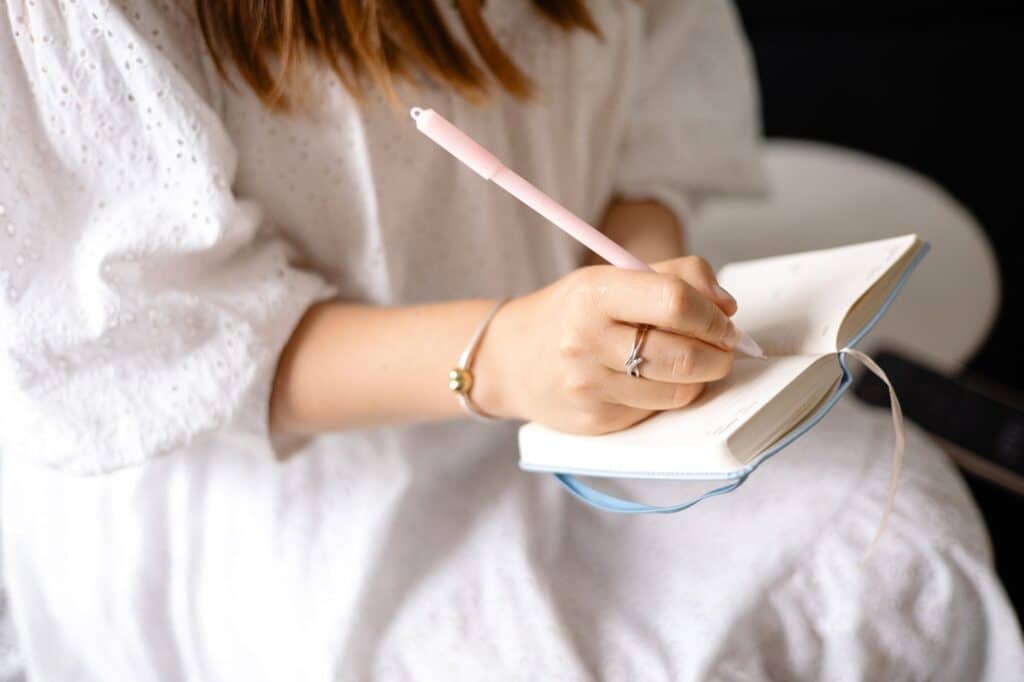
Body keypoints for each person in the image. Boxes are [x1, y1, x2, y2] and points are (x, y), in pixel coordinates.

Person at [1, 0, 1021, 679]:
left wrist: (639, 269)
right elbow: (162, 336)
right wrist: (500, 359)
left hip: (586, 373)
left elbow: (657, 73)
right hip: (310, 473)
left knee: (898, 536)